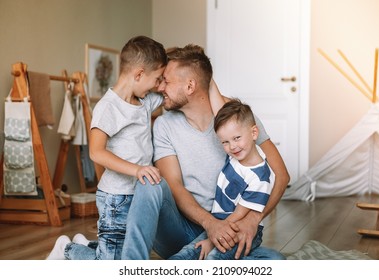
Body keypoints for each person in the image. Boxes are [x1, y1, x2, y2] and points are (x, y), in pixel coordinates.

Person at [121, 44, 290, 260]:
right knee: (150, 182)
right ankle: (131, 267)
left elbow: (281, 176)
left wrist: (253, 219)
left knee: (275, 261)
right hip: (182, 230)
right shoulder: (163, 125)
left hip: (232, 228)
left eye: (166, 81)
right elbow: (174, 186)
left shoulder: (238, 119)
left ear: (190, 86)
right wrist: (210, 224)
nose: (159, 87)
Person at [46, 35, 168, 260]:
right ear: (139, 74)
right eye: (158, 79)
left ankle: (87, 244)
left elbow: (172, 93)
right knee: (110, 266)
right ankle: (66, 249)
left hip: (136, 194)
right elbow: (96, 152)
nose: (160, 85)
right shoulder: (108, 107)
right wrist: (137, 169)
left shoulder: (144, 102)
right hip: (115, 197)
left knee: (122, 255)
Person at [169, 98, 275, 260]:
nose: (232, 146)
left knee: (213, 259)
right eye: (225, 142)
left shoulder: (260, 177)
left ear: (254, 133)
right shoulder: (235, 156)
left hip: (238, 226)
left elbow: (239, 215)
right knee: (187, 253)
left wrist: (211, 240)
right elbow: (226, 120)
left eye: (237, 138)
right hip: (220, 223)